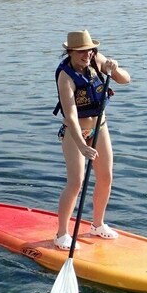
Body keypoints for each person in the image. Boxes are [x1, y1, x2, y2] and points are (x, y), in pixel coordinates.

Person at [54, 30, 131, 250]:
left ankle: (97, 225)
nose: (86, 54)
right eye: (81, 51)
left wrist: (114, 68)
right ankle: (61, 235)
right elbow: (70, 115)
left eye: (89, 50)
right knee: (76, 182)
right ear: (70, 52)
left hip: (100, 127)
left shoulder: (97, 59)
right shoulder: (65, 76)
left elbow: (126, 80)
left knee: (106, 177)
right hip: (74, 132)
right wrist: (81, 146)